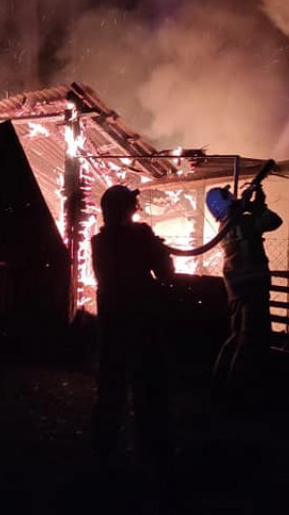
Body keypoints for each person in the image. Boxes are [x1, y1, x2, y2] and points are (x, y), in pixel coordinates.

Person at [91, 184, 175, 472]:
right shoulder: (141, 236)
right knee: (149, 385)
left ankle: (102, 450)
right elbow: (166, 272)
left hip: (112, 320)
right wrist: (157, 248)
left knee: (110, 385)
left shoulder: (97, 242)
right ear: (129, 209)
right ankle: (152, 452)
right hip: (143, 319)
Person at [207, 183, 283, 402]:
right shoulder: (243, 223)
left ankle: (219, 385)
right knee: (250, 340)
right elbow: (274, 221)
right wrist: (257, 205)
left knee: (236, 335)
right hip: (252, 287)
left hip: (238, 288)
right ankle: (237, 394)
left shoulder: (225, 226)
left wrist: (250, 204)